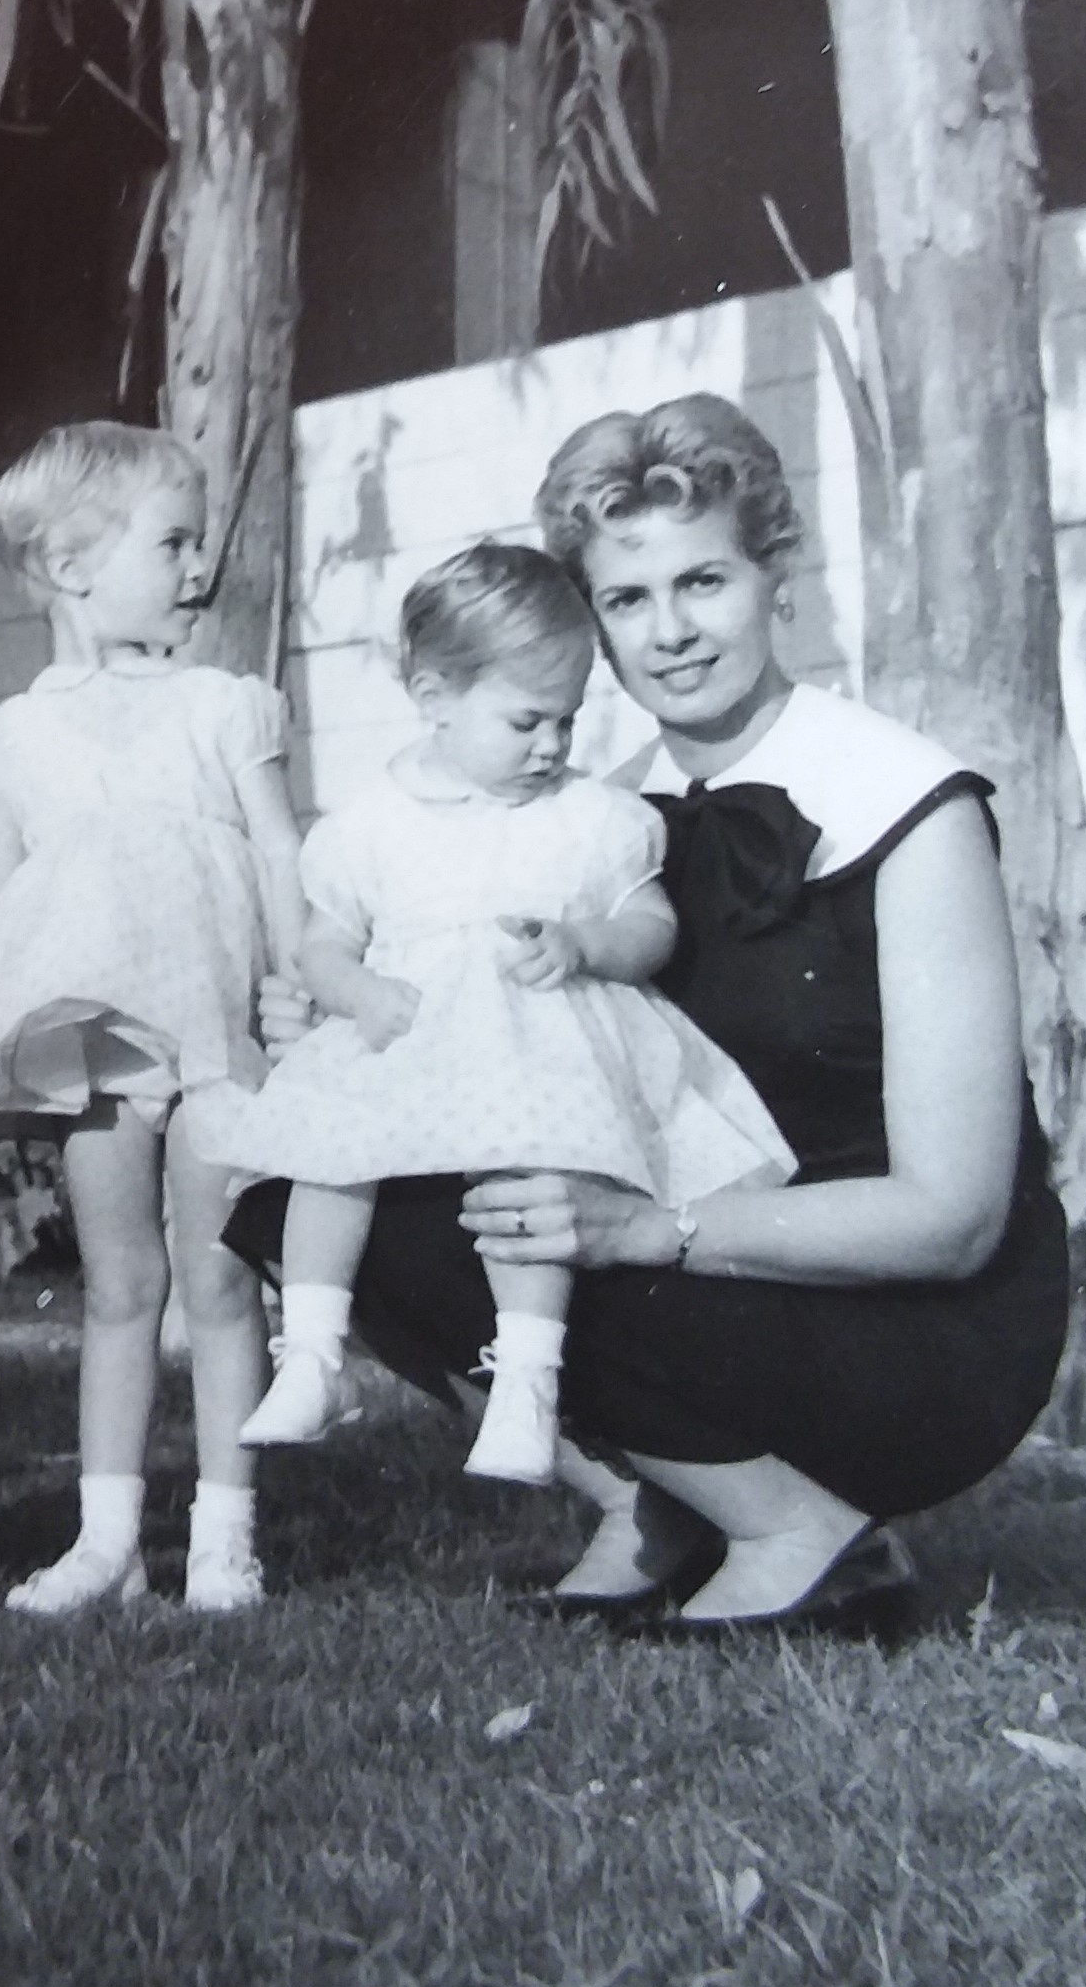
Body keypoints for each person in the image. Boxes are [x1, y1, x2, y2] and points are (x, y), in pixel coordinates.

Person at [231, 394, 1071, 1637]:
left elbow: (955, 1218)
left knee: (507, 1221)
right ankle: (660, 1503)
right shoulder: (591, 819)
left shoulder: (908, 804)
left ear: (775, 575)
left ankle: (806, 1532)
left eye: (704, 582)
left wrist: (649, 1229)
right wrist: (353, 1008)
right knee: (329, 1189)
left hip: (907, 1314)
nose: (670, 633)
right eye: (628, 600)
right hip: (697, 1256)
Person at [212, 540, 791, 1489]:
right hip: (405, 1038)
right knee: (327, 1163)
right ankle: (312, 1353)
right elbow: (323, 943)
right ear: (435, 696)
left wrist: (584, 946)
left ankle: (527, 1377)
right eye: (526, 722)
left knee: (532, 1178)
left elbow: (652, 926)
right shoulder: (371, 826)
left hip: (537, 1043)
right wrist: (353, 992)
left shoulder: (589, 818)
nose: (553, 747)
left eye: (567, 721)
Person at [0, 422, 302, 1616]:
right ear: (72, 566)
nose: (199, 565)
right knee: (116, 1285)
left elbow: (276, 852)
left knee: (221, 1283)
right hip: (99, 1049)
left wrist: (299, 979)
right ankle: (108, 1540)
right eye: (173, 541)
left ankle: (224, 1538)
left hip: (217, 1036)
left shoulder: (224, 709)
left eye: (201, 541)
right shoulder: (13, 744)